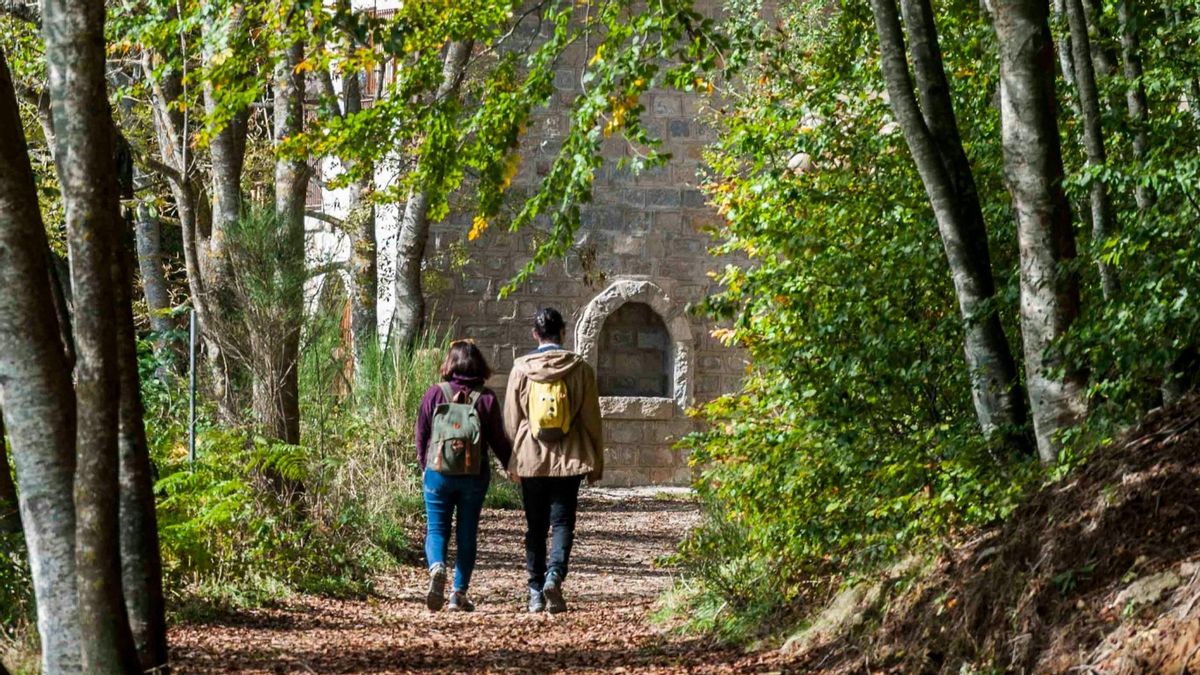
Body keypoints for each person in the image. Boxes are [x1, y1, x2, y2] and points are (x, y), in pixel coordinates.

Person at [504, 308, 603, 614]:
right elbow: (591, 419)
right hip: (569, 459)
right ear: (563, 331)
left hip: (530, 460)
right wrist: (596, 460)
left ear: (535, 334)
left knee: (534, 526)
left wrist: (515, 454)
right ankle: (554, 576)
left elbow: (511, 419)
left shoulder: (520, 369)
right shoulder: (580, 369)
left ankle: (535, 591)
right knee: (562, 524)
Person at [415, 340, 513, 612]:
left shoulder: (434, 393)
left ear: (450, 364)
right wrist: (511, 466)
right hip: (474, 475)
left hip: (438, 474)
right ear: (479, 365)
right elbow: (498, 440)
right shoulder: (487, 398)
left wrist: (426, 466)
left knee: (436, 529)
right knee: (467, 532)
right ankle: (458, 594)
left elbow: (421, 434)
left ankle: (437, 568)